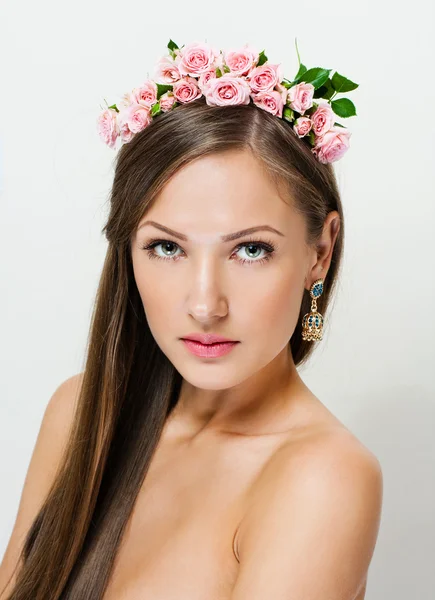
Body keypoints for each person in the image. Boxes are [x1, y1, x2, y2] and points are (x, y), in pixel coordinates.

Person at [0, 40, 383, 600]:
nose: (205, 305)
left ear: (319, 253)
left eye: (250, 250)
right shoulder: (81, 411)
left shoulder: (322, 477)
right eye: (167, 248)